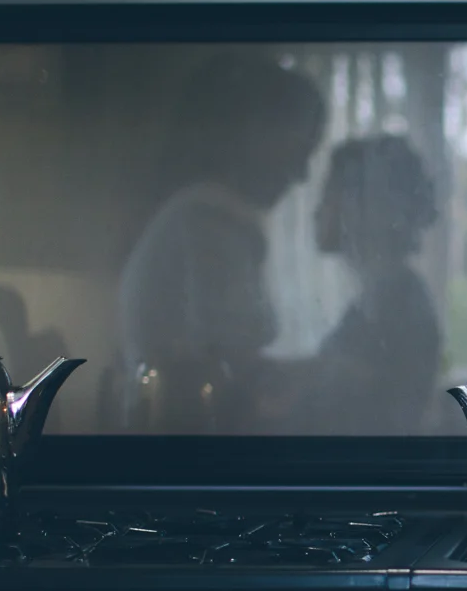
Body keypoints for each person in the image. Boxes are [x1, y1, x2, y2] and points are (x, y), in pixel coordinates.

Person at [116, 53, 326, 433]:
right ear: (253, 130)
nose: (301, 174)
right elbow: (233, 353)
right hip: (190, 441)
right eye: (297, 149)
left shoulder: (199, 213)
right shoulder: (210, 220)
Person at [269, 135, 444, 434]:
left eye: (327, 195)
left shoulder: (397, 304)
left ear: (362, 205)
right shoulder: (384, 299)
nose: (316, 211)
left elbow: (351, 401)